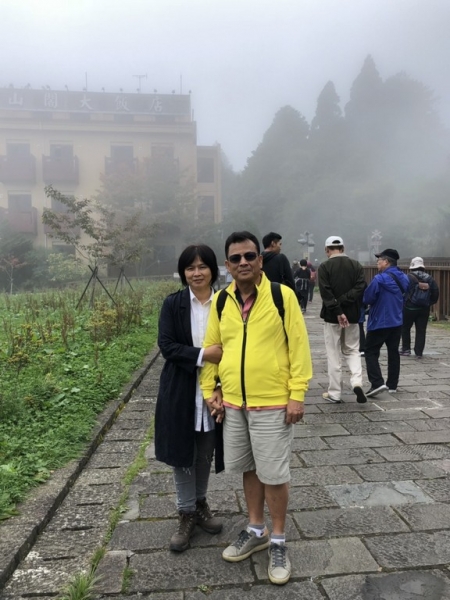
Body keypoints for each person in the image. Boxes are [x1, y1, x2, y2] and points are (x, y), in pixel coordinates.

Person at [200, 231, 312, 586]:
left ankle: (277, 539)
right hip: (235, 402)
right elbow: (213, 347)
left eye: (250, 256)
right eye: (236, 258)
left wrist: (297, 394)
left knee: (274, 473)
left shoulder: (281, 296)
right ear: (227, 265)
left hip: (273, 402)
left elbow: (299, 346)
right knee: (248, 468)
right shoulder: (222, 301)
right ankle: (256, 528)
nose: (243, 262)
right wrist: (209, 389)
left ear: (261, 260)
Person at [155, 244, 224, 553]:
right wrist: (203, 354)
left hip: (216, 390)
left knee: (205, 450)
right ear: (183, 273)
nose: (197, 273)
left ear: (213, 270)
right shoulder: (173, 304)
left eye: (202, 266)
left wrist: (219, 384)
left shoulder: (225, 302)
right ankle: (186, 513)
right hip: (181, 388)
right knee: (182, 451)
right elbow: (167, 345)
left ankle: (199, 504)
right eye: (190, 268)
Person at [318, 235, 367, 404]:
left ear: (327, 250)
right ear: (343, 248)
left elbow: (325, 292)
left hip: (332, 316)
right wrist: (345, 301)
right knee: (352, 350)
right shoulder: (356, 265)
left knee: (333, 354)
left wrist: (338, 309)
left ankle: (335, 393)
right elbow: (360, 287)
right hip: (353, 315)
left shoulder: (324, 267)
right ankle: (357, 381)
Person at [363, 248, 410, 396]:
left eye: (379, 260)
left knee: (370, 351)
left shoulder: (379, 279)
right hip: (397, 320)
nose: (377, 262)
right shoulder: (404, 278)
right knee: (393, 352)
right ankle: (392, 385)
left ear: (387, 262)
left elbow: (367, 298)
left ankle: (377, 383)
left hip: (379, 321)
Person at [400, 256, 439, 358]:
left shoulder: (408, 277)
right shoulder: (430, 278)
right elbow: (435, 292)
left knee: (405, 328)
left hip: (409, 307)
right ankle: (419, 352)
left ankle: (406, 349)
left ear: (412, 267)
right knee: (421, 330)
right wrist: (429, 303)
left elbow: (402, 291)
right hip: (424, 308)